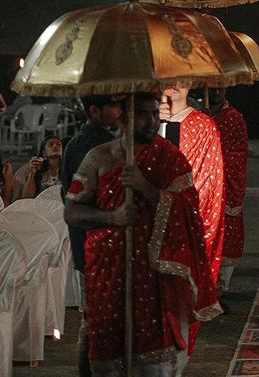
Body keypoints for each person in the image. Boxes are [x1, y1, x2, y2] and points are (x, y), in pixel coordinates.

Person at [64, 92, 219, 375]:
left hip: (152, 278)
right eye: (143, 115)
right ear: (123, 117)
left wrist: (145, 186)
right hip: (108, 277)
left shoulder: (169, 158)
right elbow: (72, 212)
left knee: (153, 362)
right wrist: (112, 217)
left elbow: (188, 210)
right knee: (108, 358)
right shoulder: (99, 157)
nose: (151, 122)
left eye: (154, 113)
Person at [60, 95, 122, 377]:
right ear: (95, 111)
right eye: (111, 106)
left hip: (86, 242)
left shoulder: (77, 142)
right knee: (96, 321)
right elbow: (73, 200)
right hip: (95, 245)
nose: (117, 111)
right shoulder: (96, 147)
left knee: (94, 318)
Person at [159, 82, 225, 288]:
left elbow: (209, 186)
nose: (175, 83)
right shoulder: (144, 124)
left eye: (182, 77)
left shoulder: (203, 126)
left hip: (184, 223)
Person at [207, 87, 248, 298]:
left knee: (228, 237)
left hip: (226, 185)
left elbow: (238, 153)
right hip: (203, 187)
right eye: (211, 87)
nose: (216, 92)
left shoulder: (234, 118)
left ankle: (219, 293)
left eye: (220, 88)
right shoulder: (197, 118)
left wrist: (216, 158)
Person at [12, 134, 63, 201]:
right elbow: (26, 198)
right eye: (51, 144)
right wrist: (32, 173)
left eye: (58, 144)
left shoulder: (67, 170)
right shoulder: (39, 171)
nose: (55, 146)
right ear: (44, 153)